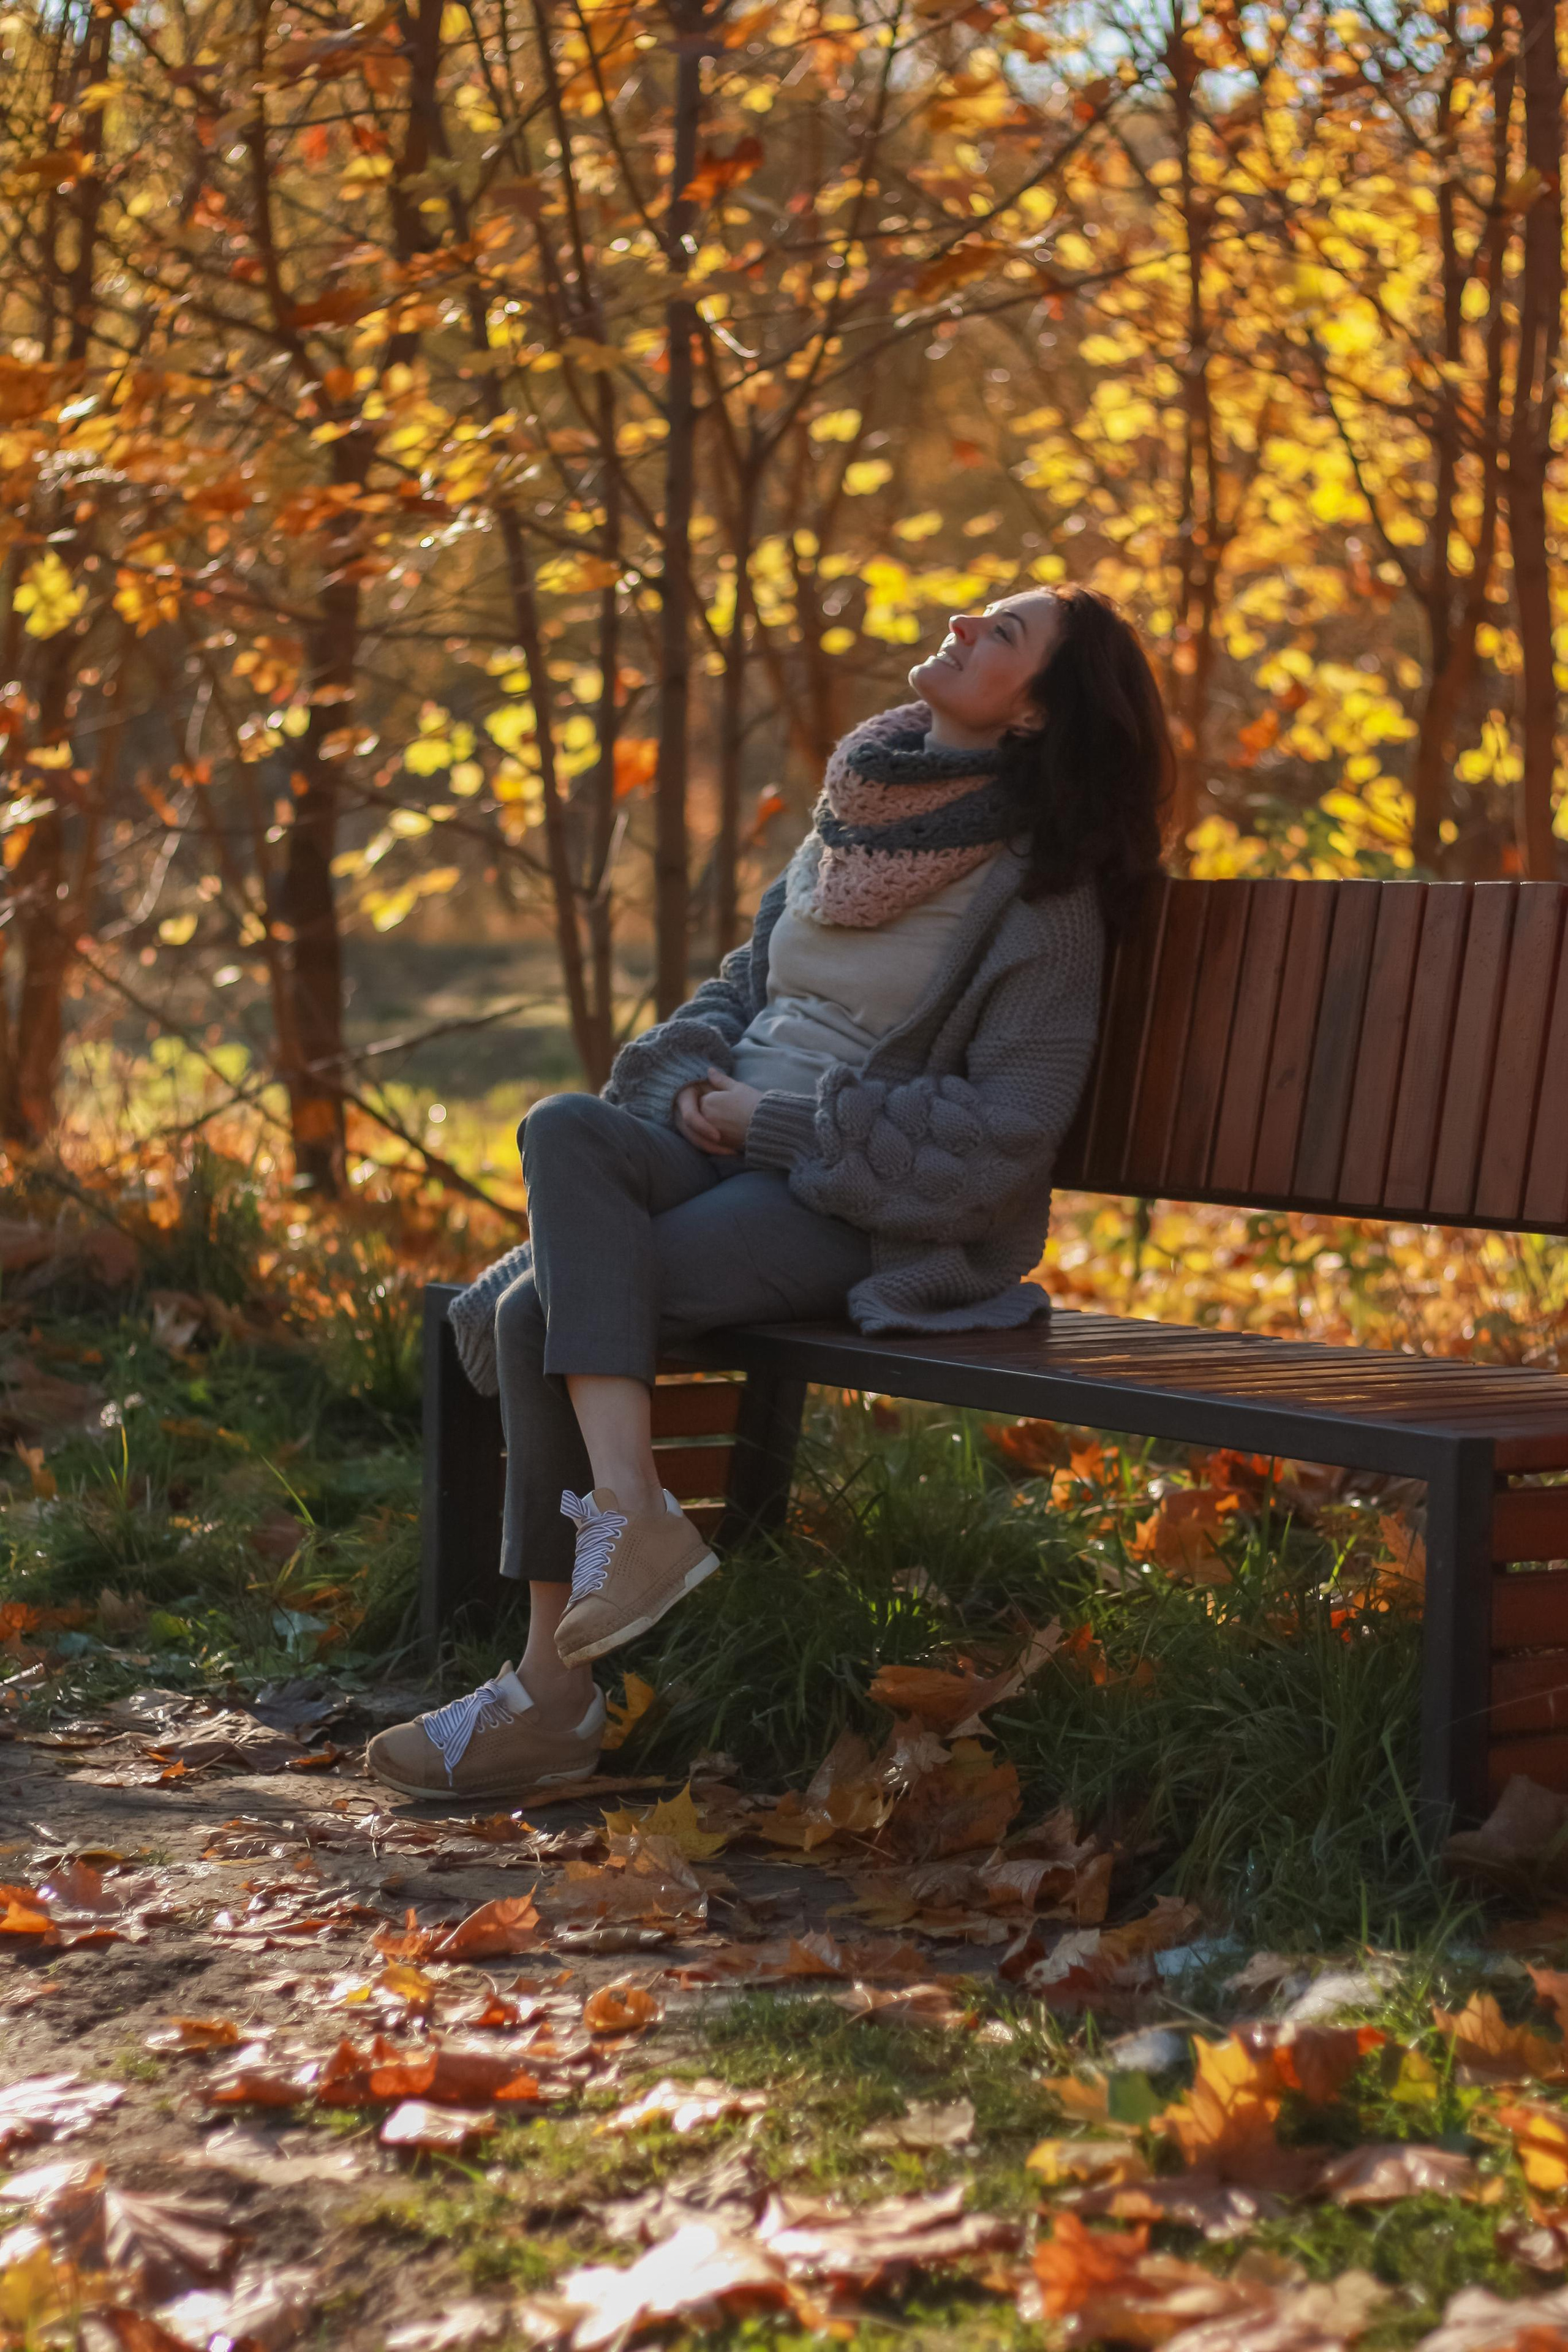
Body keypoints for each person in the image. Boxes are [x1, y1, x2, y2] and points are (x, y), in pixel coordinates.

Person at [366, 583, 1173, 1800]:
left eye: (1001, 634)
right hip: (715, 1138)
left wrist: (779, 1122)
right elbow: (742, 993)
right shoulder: (853, 831)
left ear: (1035, 715)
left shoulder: (1040, 901)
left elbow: (1002, 1141)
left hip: (854, 1205)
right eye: (973, 613)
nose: (961, 625)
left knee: (540, 1314)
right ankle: (632, 1511)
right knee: (564, 1126)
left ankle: (550, 1697)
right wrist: (696, 1074)